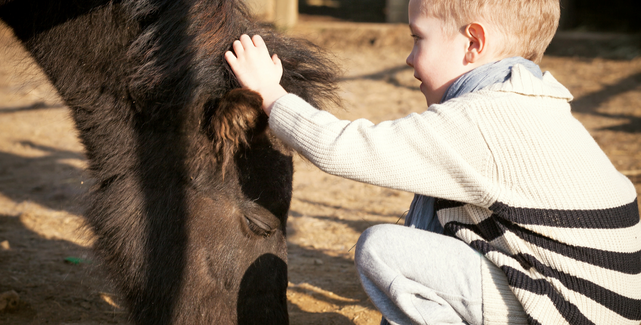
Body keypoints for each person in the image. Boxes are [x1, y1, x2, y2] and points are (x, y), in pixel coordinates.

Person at [224, 0, 641, 323]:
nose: (408, 57)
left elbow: (345, 149)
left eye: (418, 38)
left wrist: (272, 95)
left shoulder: (484, 118)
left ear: (473, 44)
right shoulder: (532, 100)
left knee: (384, 250)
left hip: (572, 310)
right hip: (597, 300)